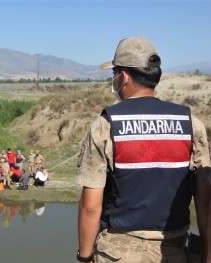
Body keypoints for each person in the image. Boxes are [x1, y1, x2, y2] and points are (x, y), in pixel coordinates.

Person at [76, 36, 211, 263]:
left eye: (114, 73)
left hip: (117, 252)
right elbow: (205, 199)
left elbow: (91, 207)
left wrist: (84, 256)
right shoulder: (191, 124)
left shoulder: (106, 125)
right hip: (174, 251)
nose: (114, 79)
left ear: (124, 77)